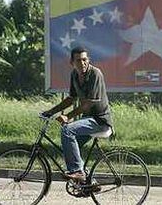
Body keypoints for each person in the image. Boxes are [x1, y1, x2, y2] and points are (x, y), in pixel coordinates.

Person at [42, 46, 113, 181]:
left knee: (67, 130)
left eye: (84, 59)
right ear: (72, 62)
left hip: (100, 121)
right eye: (78, 60)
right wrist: (50, 112)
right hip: (88, 119)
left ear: (88, 60)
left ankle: (77, 171)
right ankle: (89, 182)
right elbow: (71, 99)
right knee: (71, 147)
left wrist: (68, 116)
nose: (82, 63)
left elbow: (88, 104)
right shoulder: (74, 75)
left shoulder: (95, 74)